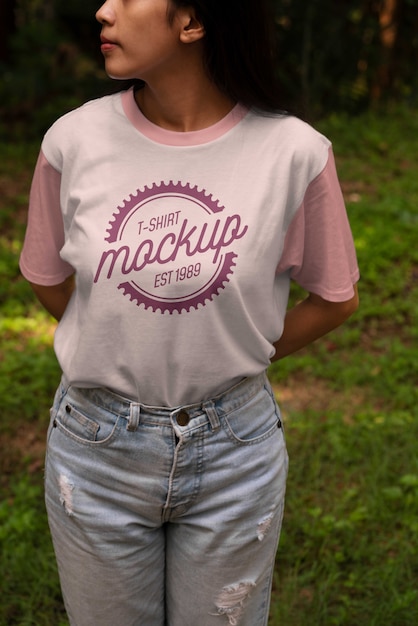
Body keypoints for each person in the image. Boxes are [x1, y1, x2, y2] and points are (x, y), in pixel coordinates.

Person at [19, 0, 359, 624]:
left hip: (236, 451)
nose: (102, 11)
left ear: (193, 21)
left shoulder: (294, 153)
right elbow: (48, 278)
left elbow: (335, 298)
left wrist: (233, 350)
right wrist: (118, 336)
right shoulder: (73, 141)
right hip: (96, 452)